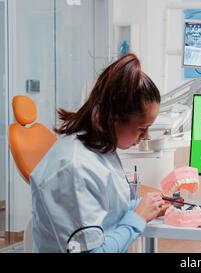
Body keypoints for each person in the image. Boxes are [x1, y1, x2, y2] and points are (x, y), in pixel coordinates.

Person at [30, 54, 166, 253]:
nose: (145, 136)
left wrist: (146, 205)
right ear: (115, 118)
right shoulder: (74, 168)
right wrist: (137, 218)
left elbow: (108, 211)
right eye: (141, 128)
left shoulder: (99, 148)